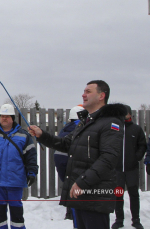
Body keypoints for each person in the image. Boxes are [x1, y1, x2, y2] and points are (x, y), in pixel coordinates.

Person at [28, 80, 126, 229]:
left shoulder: (110, 123)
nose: (83, 94)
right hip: (79, 196)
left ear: (102, 96)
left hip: (94, 197)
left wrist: (82, 182)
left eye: (88, 91)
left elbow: (108, 158)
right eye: (84, 91)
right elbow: (65, 144)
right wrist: (42, 135)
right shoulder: (85, 122)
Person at [0, 103, 38, 229]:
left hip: (15, 181)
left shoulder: (24, 136)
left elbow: (31, 157)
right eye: (2, 116)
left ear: (13, 118)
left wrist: (32, 172)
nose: (4, 118)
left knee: (17, 215)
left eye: (7, 116)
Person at [111, 105, 146, 229]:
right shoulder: (114, 129)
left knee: (134, 194)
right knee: (118, 194)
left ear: (129, 114)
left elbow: (142, 145)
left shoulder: (136, 129)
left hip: (131, 169)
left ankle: (136, 220)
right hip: (118, 169)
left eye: (124, 113)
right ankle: (119, 219)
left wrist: (136, 157)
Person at [54, 105, 83, 225]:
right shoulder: (80, 129)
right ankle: (74, 212)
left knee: (69, 185)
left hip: (61, 163)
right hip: (74, 163)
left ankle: (69, 211)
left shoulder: (64, 130)